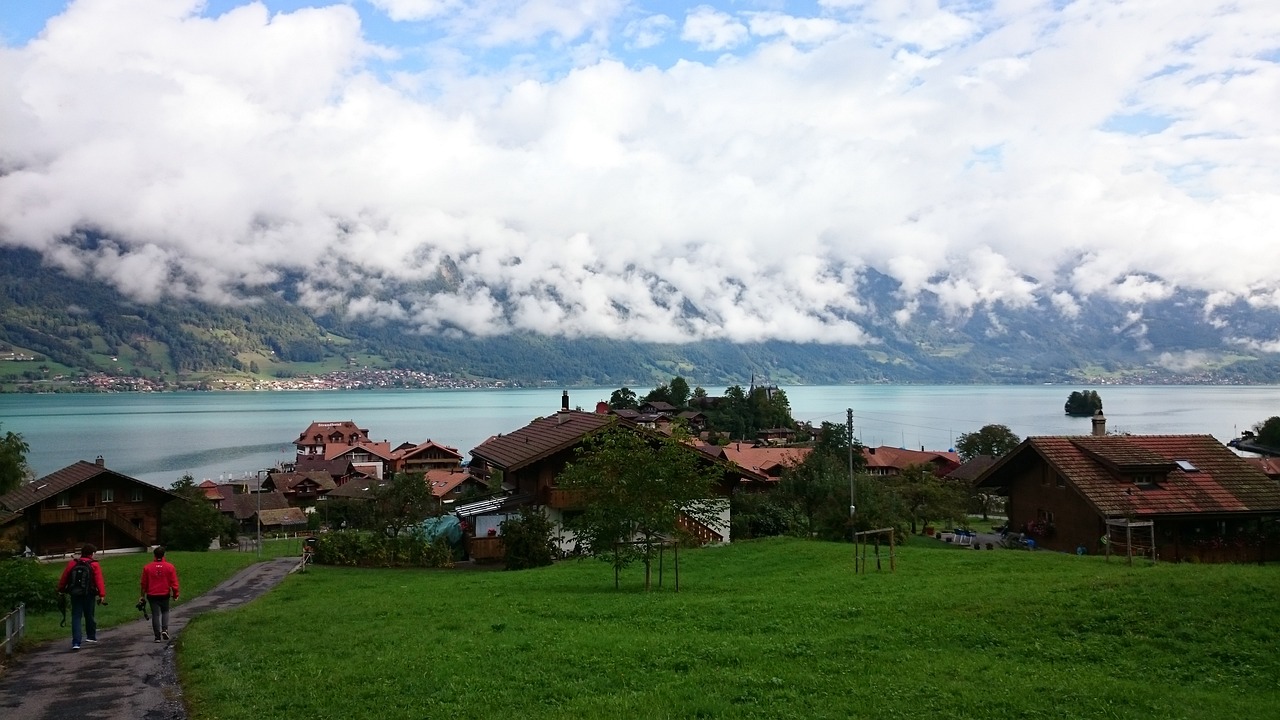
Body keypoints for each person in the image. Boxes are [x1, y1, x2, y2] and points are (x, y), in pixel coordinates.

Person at [57, 543, 107, 651]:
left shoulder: (72, 563)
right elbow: (99, 580)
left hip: (75, 593)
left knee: (76, 616)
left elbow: (64, 577)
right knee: (89, 615)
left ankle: (76, 642)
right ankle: (91, 636)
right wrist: (102, 594)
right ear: (92, 553)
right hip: (89, 593)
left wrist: (61, 589)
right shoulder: (94, 565)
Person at [140, 545, 180, 643]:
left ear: (154, 555)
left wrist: (142, 596)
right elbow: (174, 583)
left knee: (155, 614)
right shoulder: (170, 567)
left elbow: (143, 583)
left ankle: (157, 637)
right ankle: (165, 629)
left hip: (152, 594)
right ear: (163, 555)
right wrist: (175, 594)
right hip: (164, 593)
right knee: (165, 611)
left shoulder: (147, 567)